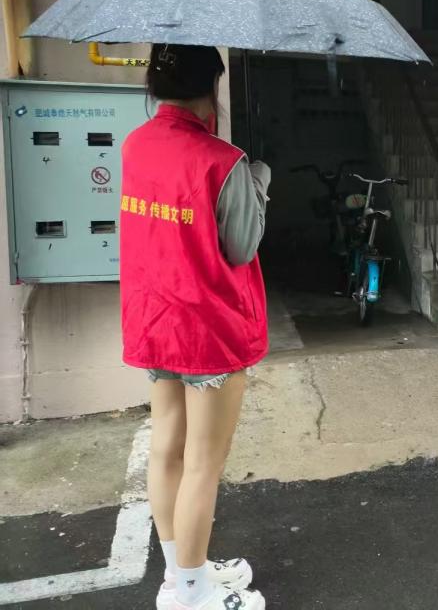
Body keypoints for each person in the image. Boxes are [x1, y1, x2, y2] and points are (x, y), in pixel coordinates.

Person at [120, 44, 271, 610]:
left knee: (167, 449)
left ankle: (181, 575)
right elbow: (242, 246)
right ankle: (190, 595)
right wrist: (258, 181)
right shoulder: (222, 161)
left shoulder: (135, 145)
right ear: (211, 88)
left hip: (156, 319)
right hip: (208, 330)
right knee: (203, 465)